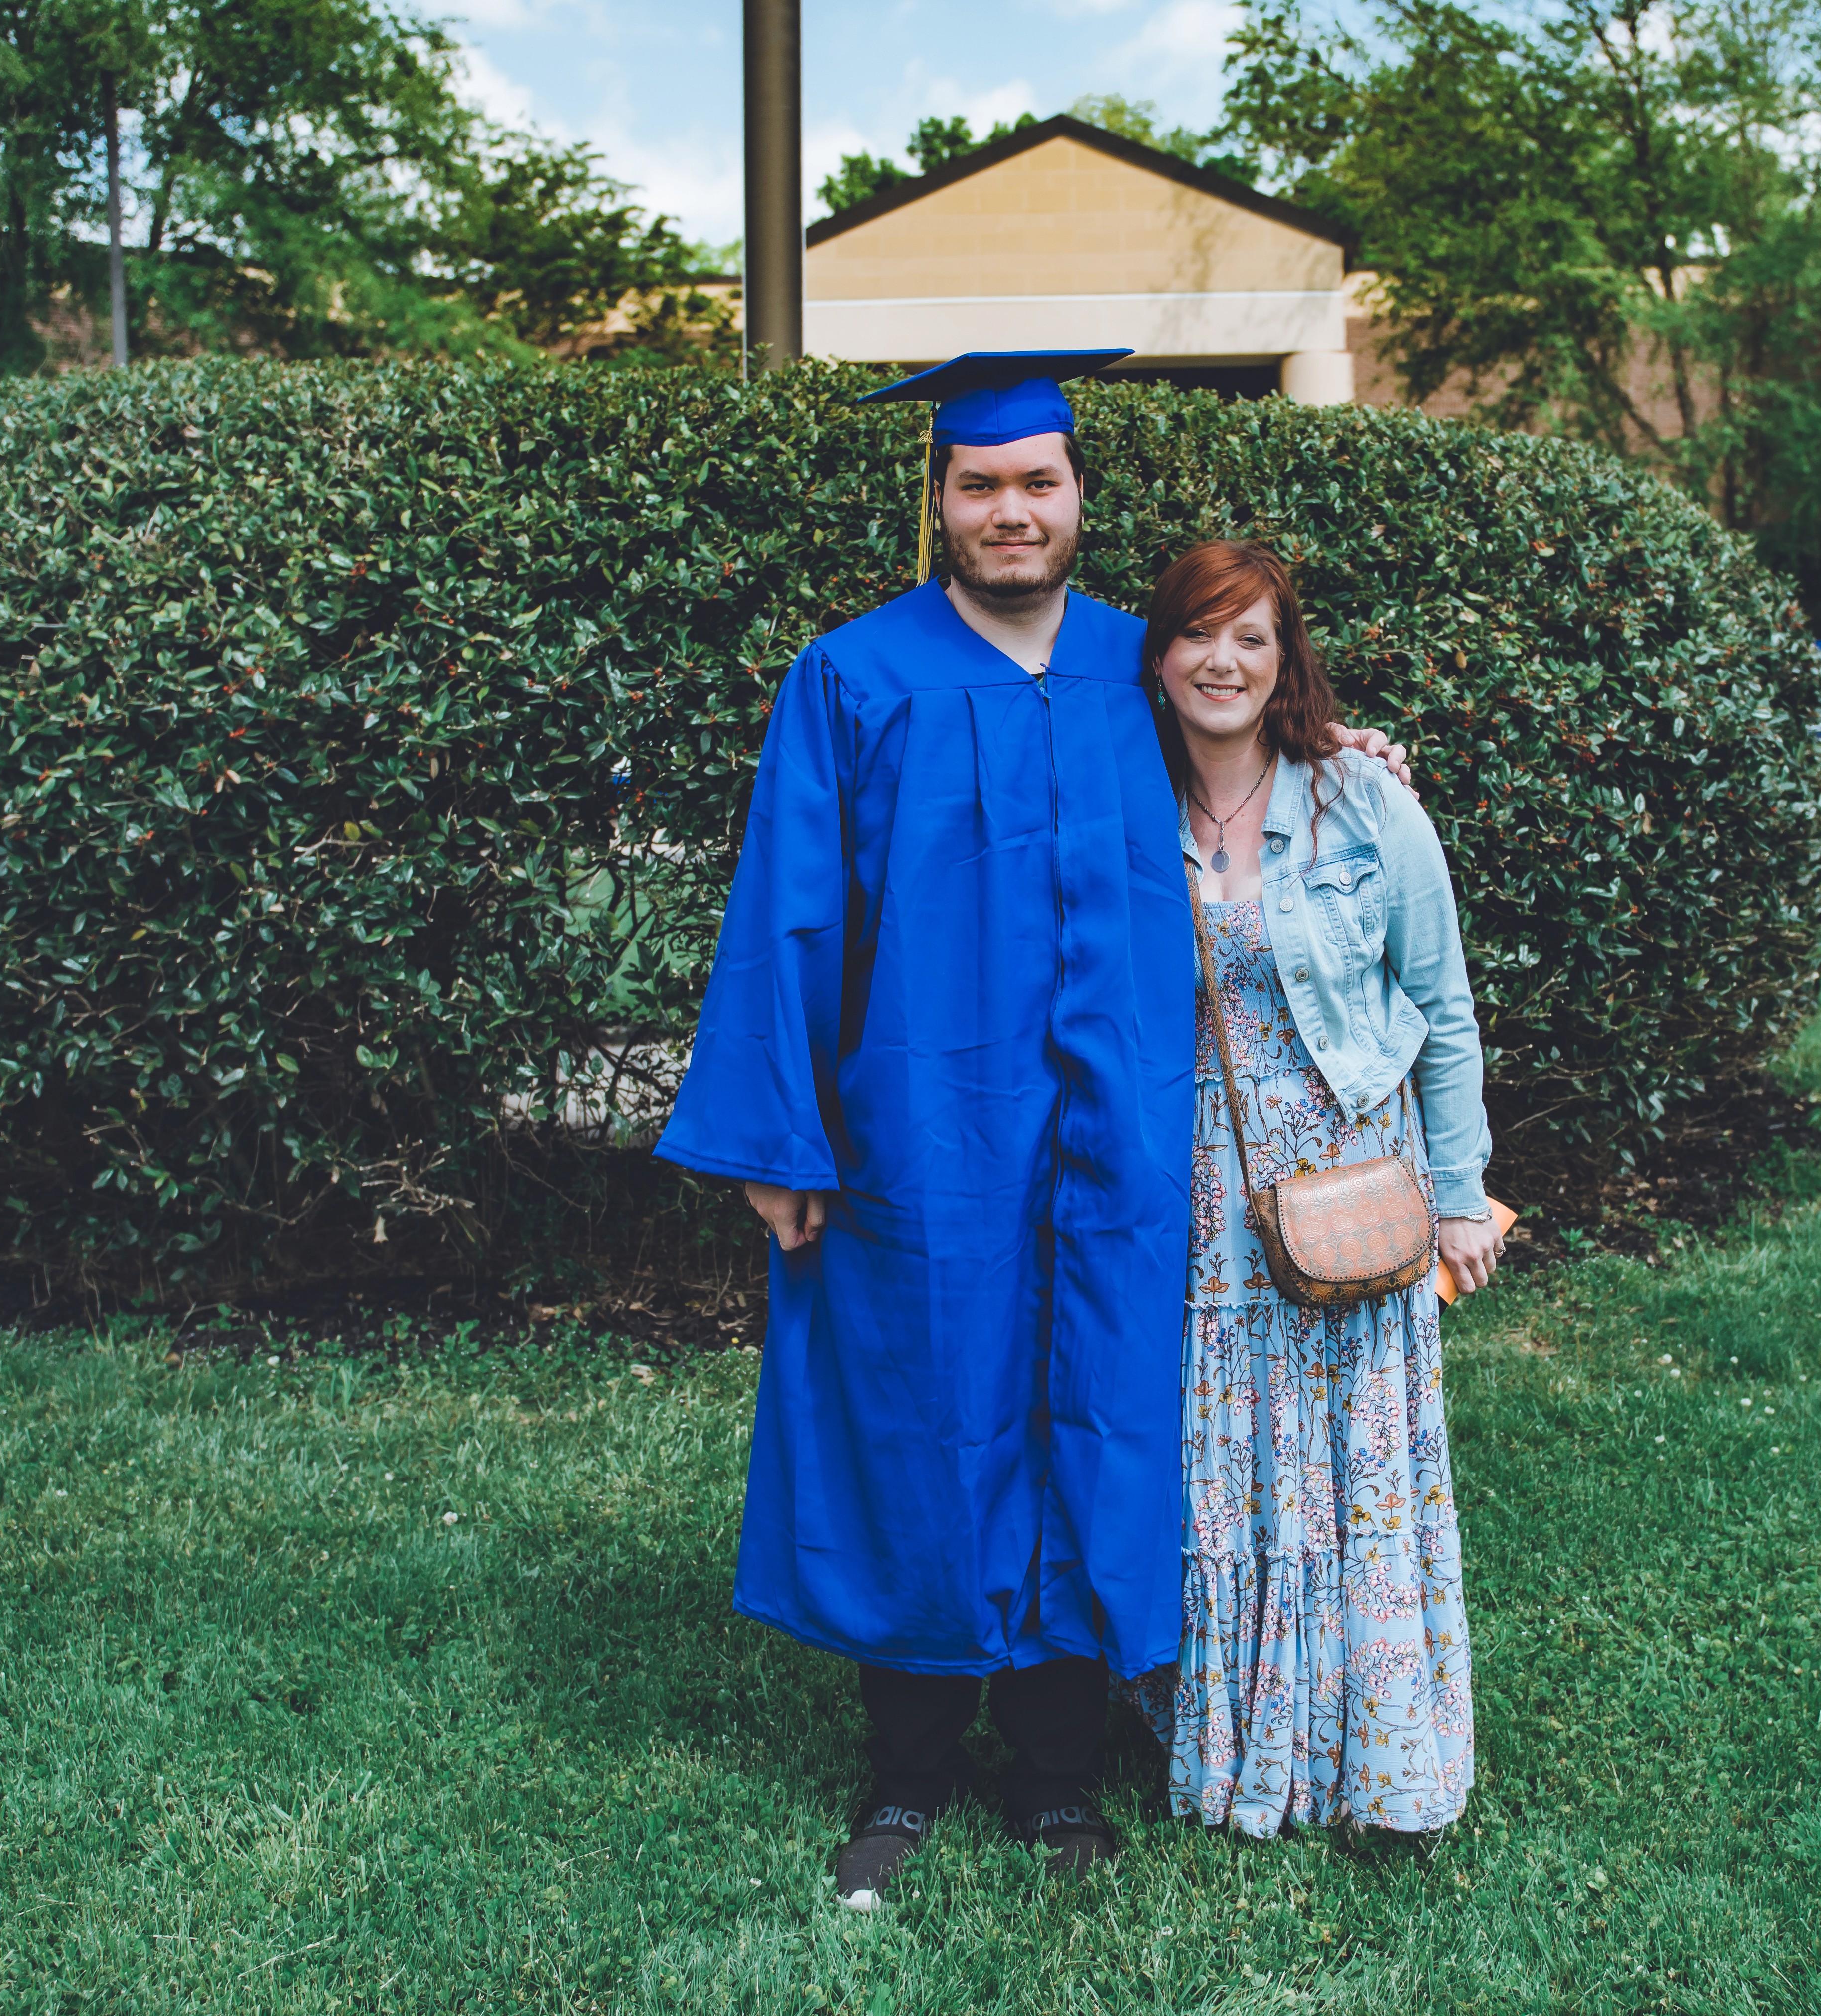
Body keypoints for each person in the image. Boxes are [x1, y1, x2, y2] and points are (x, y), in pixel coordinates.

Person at [652, 354, 1412, 1908]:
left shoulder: (1144, 669)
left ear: (1078, 497)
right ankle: (909, 1775)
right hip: (920, 1140)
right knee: (930, 1419)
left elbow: (1254, 771)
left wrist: (1353, 768)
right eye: (980, 484)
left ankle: (1060, 1775)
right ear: (935, 500)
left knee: (1101, 1420)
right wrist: (779, 1144)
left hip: (1123, 1142)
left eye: (1039, 483)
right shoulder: (857, 677)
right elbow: (789, 918)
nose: (1012, 510)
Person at [1131, 539, 1496, 1839]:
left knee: (1354, 1474)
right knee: (1226, 1470)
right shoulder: (1128, 790)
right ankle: (1243, 1755)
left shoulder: (1361, 800)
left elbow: (1442, 1006)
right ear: (1159, 654)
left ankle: (1382, 1760)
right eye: (1196, 634)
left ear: (1286, 661)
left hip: (1351, 1171)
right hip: (1199, 1192)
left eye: (1251, 638)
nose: (1220, 662)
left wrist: (1461, 1196)